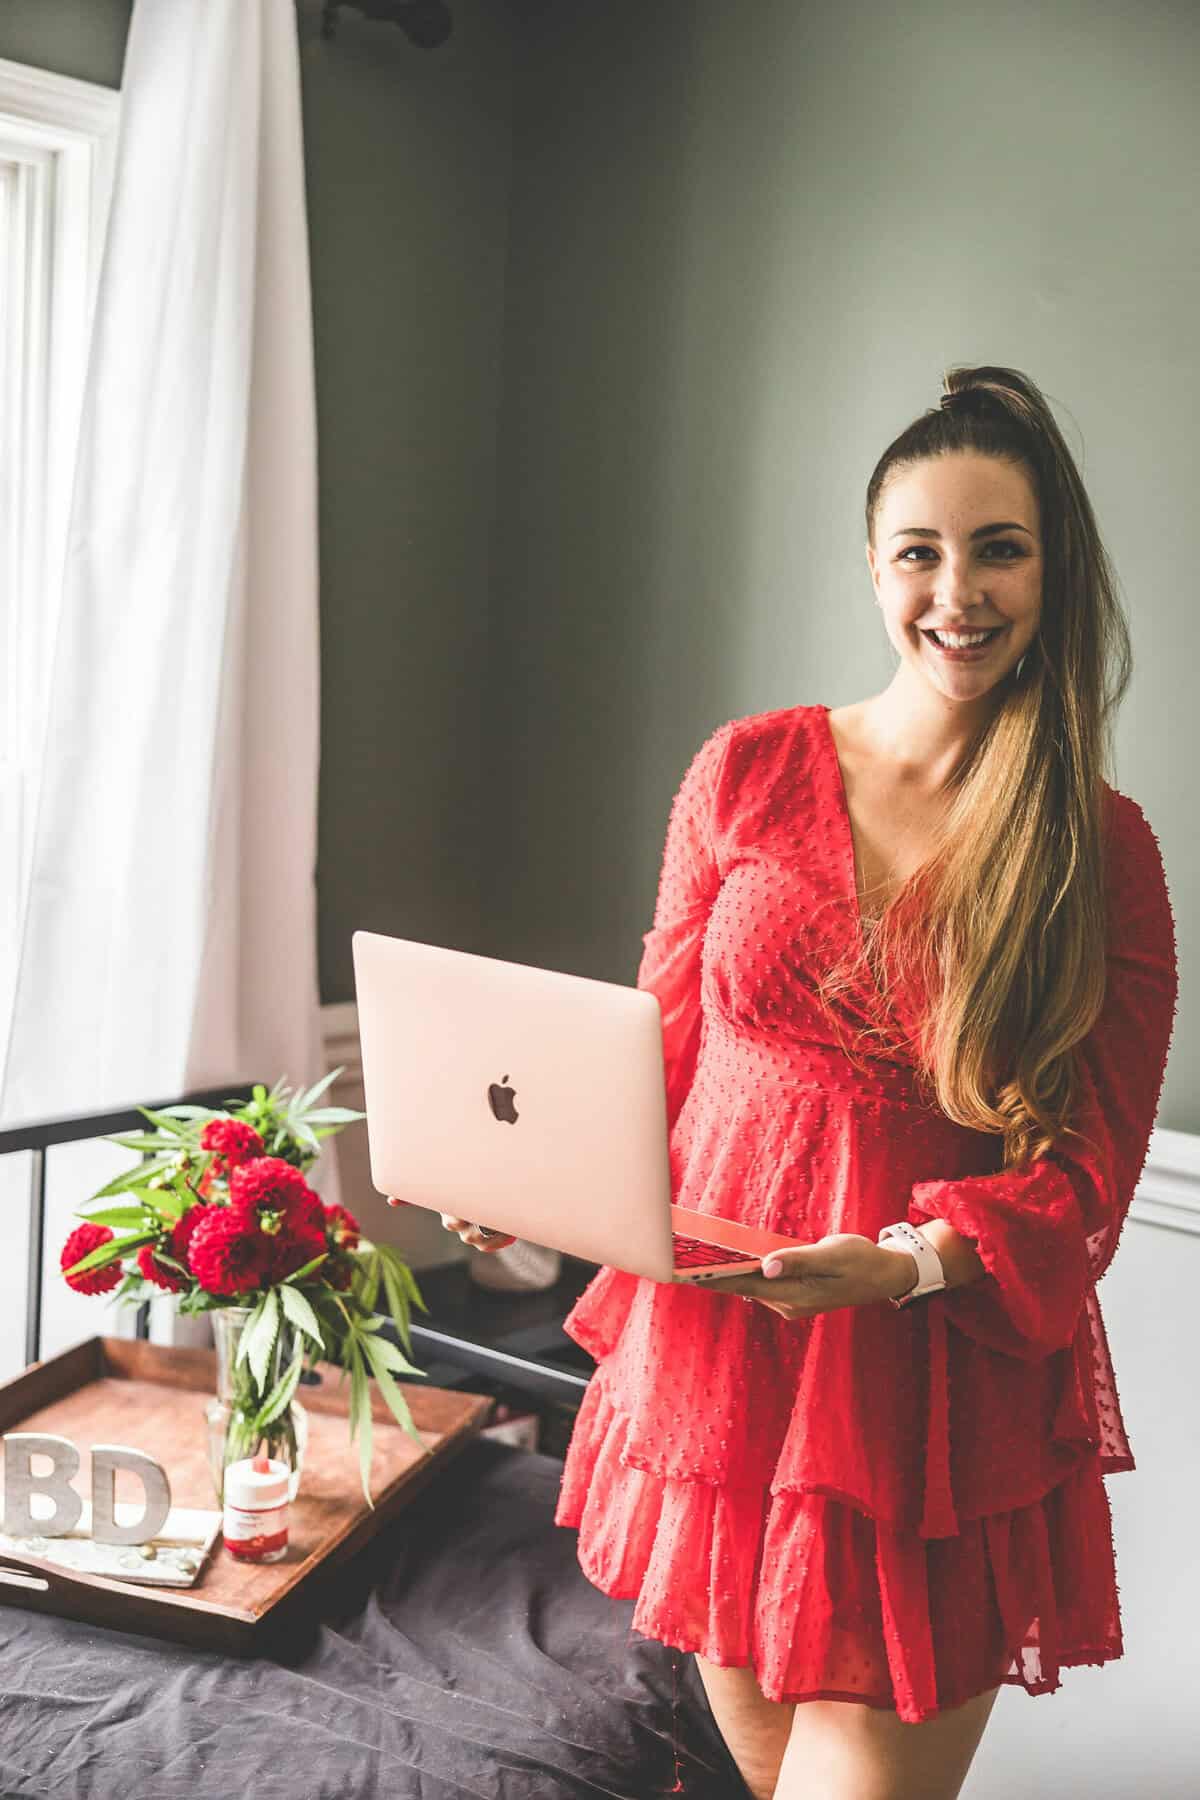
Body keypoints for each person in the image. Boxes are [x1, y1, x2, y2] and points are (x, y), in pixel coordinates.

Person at [418, 364, 1178, 1799]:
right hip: (725, 1372)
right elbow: (652, 1045)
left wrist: (897, 1270)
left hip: (928, 1413)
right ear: (876, 568)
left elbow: (1087, 1180)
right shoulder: (750, 769)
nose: (959, 591)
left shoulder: (1100, 852)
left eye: (1000, 547)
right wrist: (517, 1191)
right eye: (922, 551)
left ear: (1055, 566)